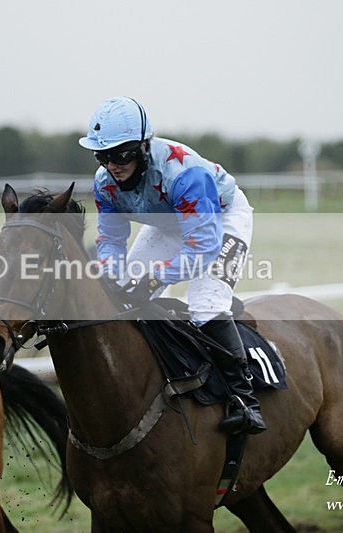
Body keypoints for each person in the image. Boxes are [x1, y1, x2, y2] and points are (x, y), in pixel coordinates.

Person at [79, 97, 266, 435]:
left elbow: (204, 247)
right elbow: (110, 240)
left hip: (220, 220)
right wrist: (111, 275)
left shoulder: (184, 174)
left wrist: (155, 278)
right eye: (103, 156)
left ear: (143, 147)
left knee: (206, 304)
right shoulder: (104, 182)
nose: (112, 165)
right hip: (169, 223)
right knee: (121, 297)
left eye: (121, 154)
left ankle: (244, 399)